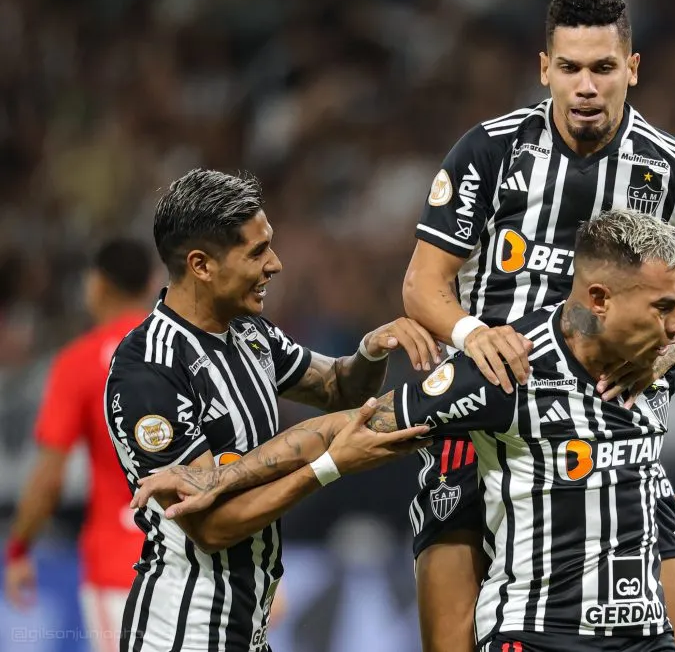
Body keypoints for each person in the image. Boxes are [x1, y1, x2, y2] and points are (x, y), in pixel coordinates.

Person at [135, 209, 675, 652]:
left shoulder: (658, 360)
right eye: (665, 307)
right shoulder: (507, 369)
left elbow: (336, 386)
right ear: (599, 299)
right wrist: (223, 477)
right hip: (540, 635)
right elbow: (350, 422)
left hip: (641, 637)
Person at [402, 0, 675, 652]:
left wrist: (671, 352)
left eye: (602, 67)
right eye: (569, 68)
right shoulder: (490, 151)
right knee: (451, 640)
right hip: (487, 426)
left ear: (632, 67)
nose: (585, 86)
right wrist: (474, 335)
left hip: (615, 435)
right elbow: (423, 284)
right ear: (545, 68)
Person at [103, 168, 433, 652]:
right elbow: (211, 528)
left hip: (248, 630)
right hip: (184, 633)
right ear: (201, 265)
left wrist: (372, 349)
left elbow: (340, 387)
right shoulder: (149, 371)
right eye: (257, 251)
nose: (275, 264)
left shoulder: (248, 333)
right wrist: (327, 467)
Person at [3, 239, 153, 652]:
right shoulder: (184, 352)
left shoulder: (79, 363)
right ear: (150, 284)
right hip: (195, 564)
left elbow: (49, 479)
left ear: (97, 285)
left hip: (119, 569)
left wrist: (18, 549)